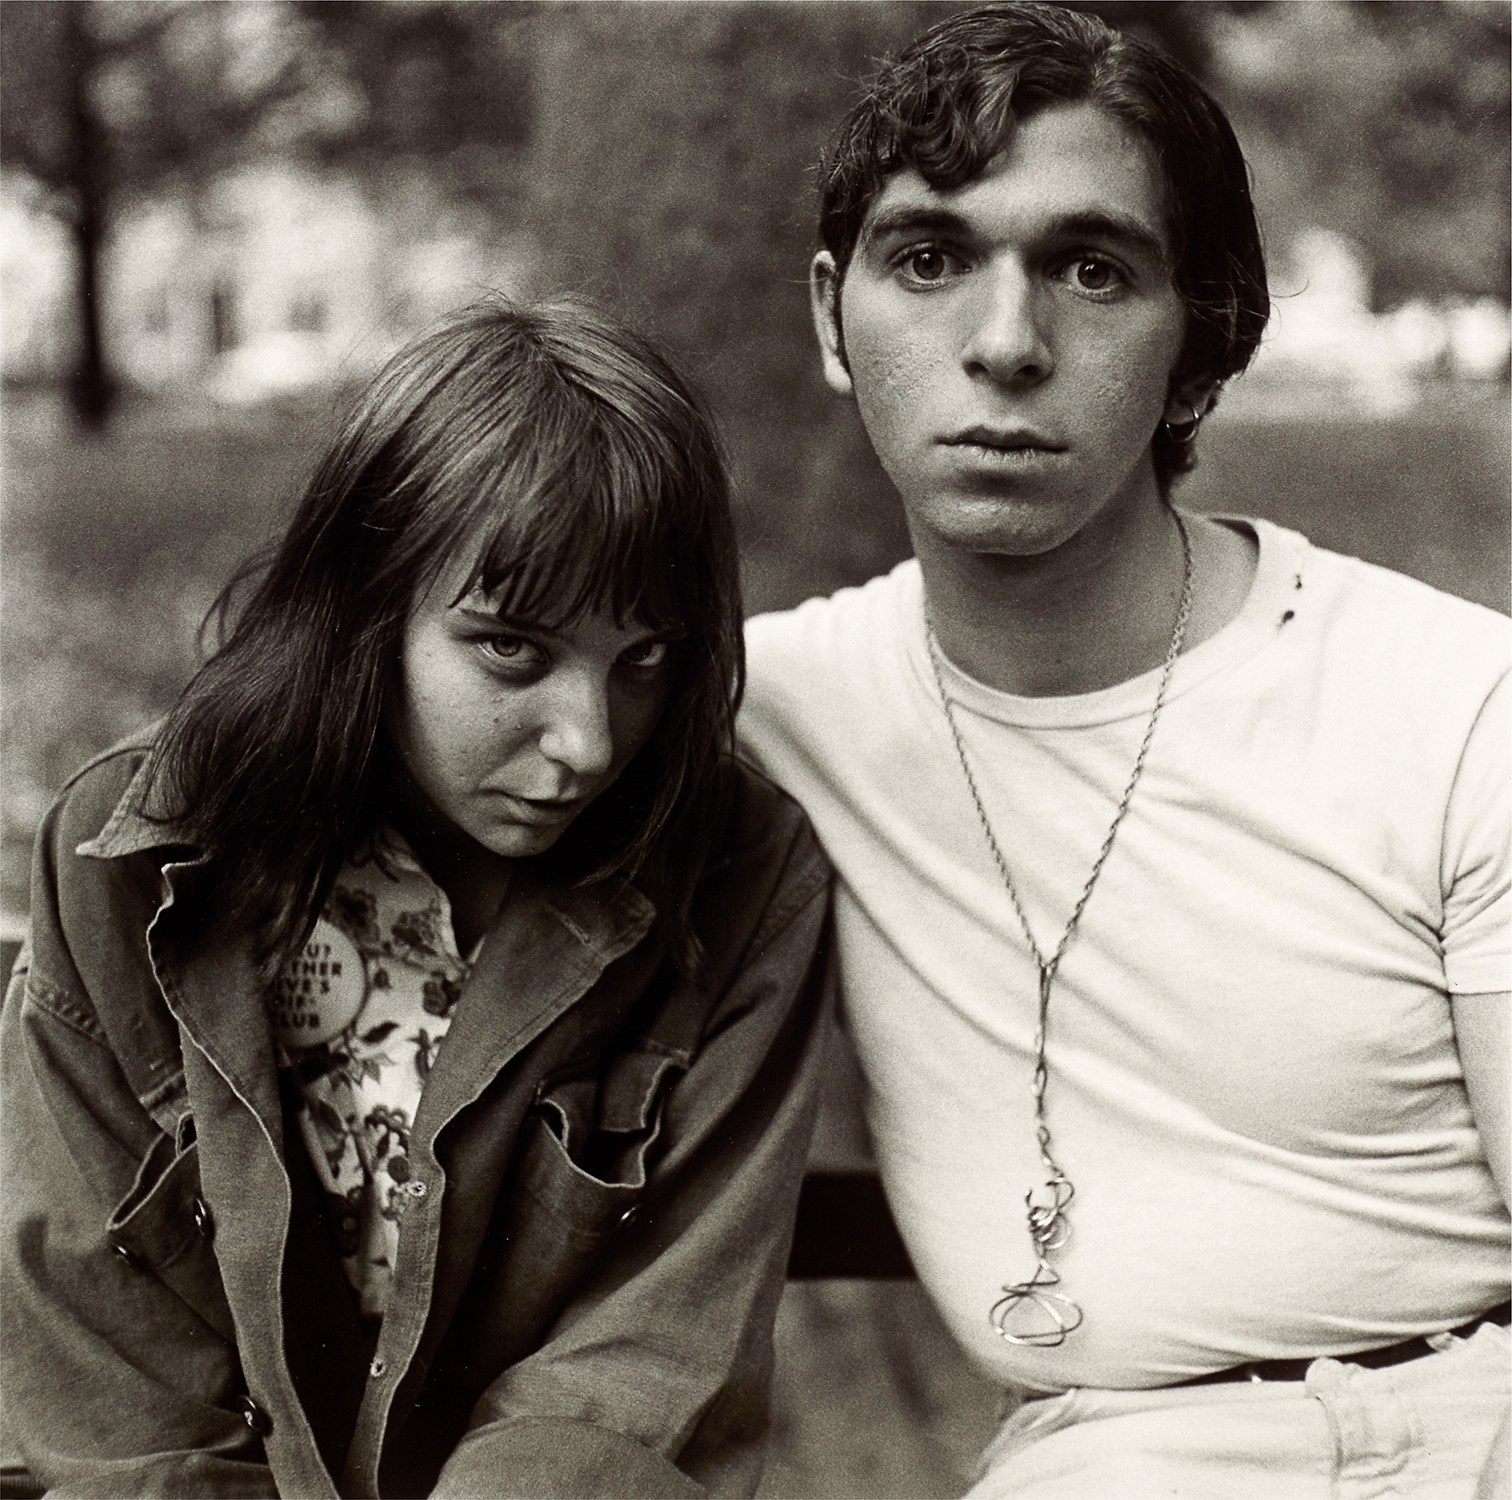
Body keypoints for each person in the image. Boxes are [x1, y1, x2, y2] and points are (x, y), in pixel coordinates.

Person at [739, 5, 1510, 1496]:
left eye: (1092, 270)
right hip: (1124, 1458)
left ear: (1201, 344)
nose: (1007, 345)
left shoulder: (1453, 700)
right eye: (931, 260)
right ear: (834, 317)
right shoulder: (772, 712)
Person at [2, 297, 832, 1499]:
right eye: (514, 651)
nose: (589, 744)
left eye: (645, 659)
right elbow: (111, 1370)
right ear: (365, 606)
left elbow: (640, 1378)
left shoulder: (742, 882)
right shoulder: (123, 867)